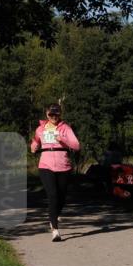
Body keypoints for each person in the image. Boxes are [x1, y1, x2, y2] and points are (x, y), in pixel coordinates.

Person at [30, 103, 80, 241]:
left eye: (56, 114)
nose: (53, 117)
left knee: (61, 196)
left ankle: (53, 216)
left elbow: (76, 145)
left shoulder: (65, 128)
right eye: (51, 114)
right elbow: (35, 141)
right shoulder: (41, 129)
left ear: (60, 114)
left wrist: (62, 139)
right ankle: (55, 230)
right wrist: (33, 147)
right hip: (45, 165)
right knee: (52, 195)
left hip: (63, 165)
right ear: (46, 114)